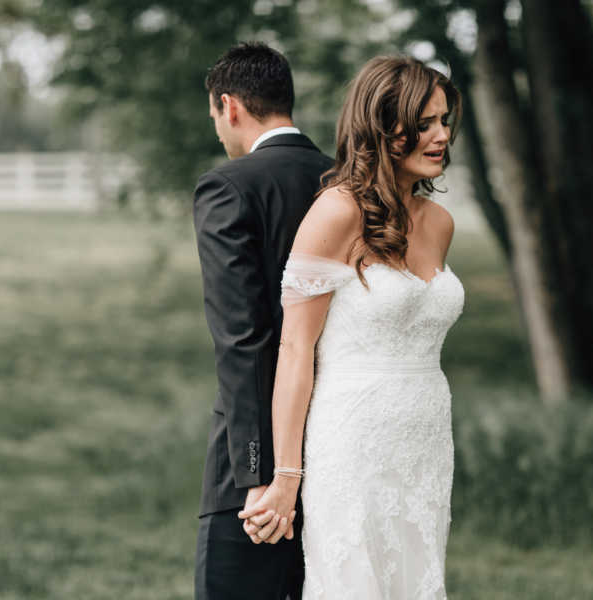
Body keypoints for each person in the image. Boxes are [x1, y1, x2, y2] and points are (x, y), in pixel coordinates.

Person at [237, 56, 465, 598]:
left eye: (444, 120)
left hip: (426, 440)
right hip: (353, 440)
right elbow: (296, 349)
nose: (442, 136)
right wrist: (286, 476)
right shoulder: (336, 212)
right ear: (383, 128)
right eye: (425, 122)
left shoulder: (440, 223)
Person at [192, 42, 333, 600]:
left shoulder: (228, 186)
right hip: (341, 434)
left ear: (230, 107)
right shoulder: (348, 180)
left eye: (215, 117)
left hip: (257, 460)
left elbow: (243, 337)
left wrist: (258, 472)